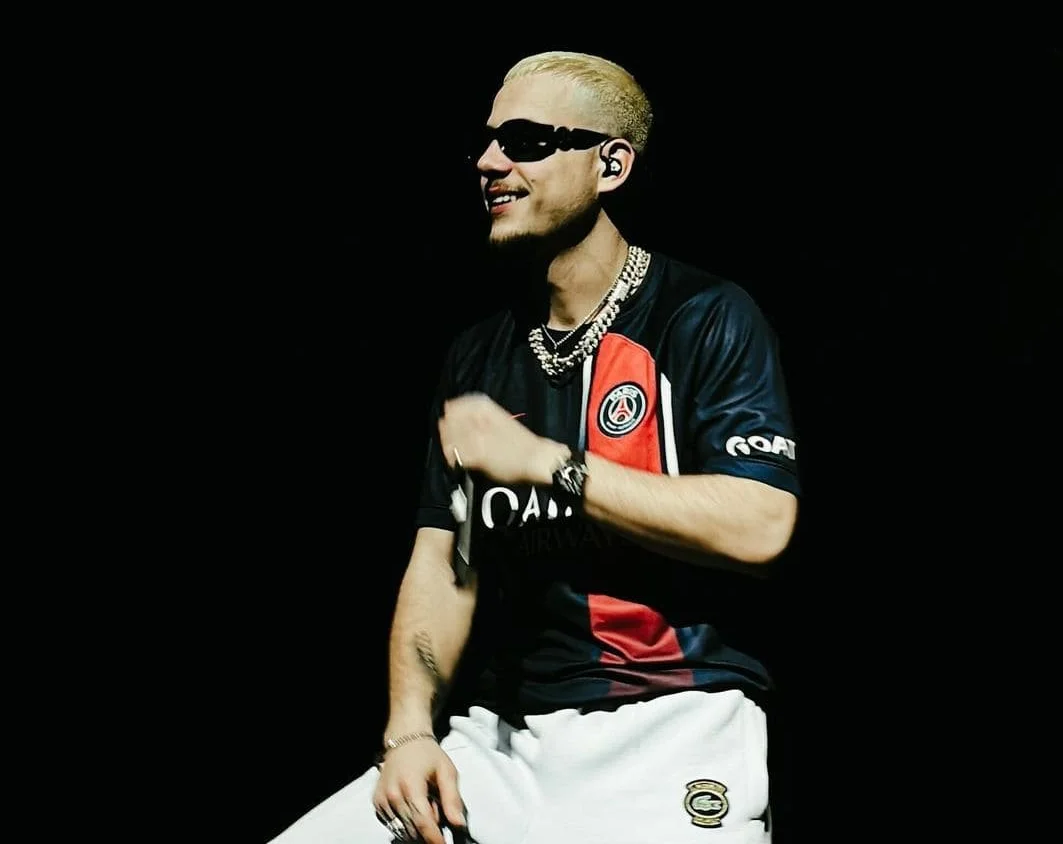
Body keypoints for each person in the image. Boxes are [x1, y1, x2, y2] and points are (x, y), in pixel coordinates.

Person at [269, 50, 801, 843]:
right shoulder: (477, 357)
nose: (489, 161)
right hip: (501, 742)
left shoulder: (703, 316)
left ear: (610, 164)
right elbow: (445, 560)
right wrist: (410, 731)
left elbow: (761, 525)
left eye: (524, 140)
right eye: (487, 141)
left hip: (667, 729)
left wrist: (549, 463)